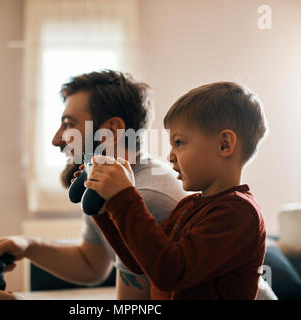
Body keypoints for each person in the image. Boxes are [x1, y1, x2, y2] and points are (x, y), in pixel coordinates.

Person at [0, 70, 188, 300]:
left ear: (111, 130)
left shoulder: (143, 198)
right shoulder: (102, 183)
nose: (56, 139)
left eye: (69, 124)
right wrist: (27, 246)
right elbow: (91, 264)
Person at [81, 81, 268, 299]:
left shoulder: (238, 214)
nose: (170, 156)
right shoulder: (188, 206)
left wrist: (124, 196)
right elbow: (140, 262)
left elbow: (170, 272)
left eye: (179, 142)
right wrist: (105, 207)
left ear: (224, 145)